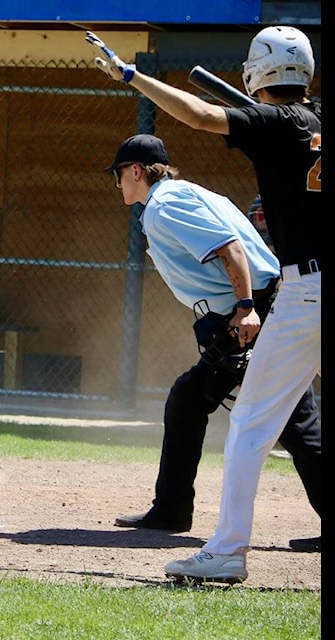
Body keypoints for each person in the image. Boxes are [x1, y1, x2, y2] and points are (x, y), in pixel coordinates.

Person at [88, 26, 321, 582]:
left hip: (302, 291)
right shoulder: (314, 123)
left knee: (252, 424)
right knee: (230, 405)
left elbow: (196, 113)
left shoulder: (271, 124)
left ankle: (226, 552)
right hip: (298, 290)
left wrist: (131, 76)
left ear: (258, 72)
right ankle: (176, 511)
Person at [104, 135, 320, 548]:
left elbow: (231, 249)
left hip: (252, 311)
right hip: (251, 309)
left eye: (119, 175)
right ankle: (170, 508)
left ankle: (172, 509)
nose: (117, 184)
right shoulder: (182, 195)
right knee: (189, 399)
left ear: (135, 171)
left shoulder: (166, 205)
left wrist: (245, 307)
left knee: (293, 418)